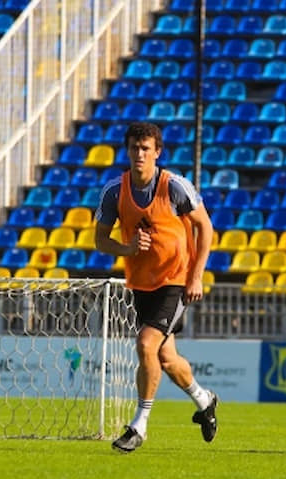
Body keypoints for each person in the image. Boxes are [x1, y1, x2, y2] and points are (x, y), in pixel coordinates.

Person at [93, 122, 218, 453]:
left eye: (146, 148)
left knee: (146, 344)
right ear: (127, 150)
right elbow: (101, 240)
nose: (139, 154)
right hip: (141, 283)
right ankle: (205, 400)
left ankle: (139, 425)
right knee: (166, 357)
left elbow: (205, 227)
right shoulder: (114, 191)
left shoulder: (174, 186)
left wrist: (196, 276)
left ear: (157, 152)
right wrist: (128, 248)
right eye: (134, 148)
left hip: (175, 280)